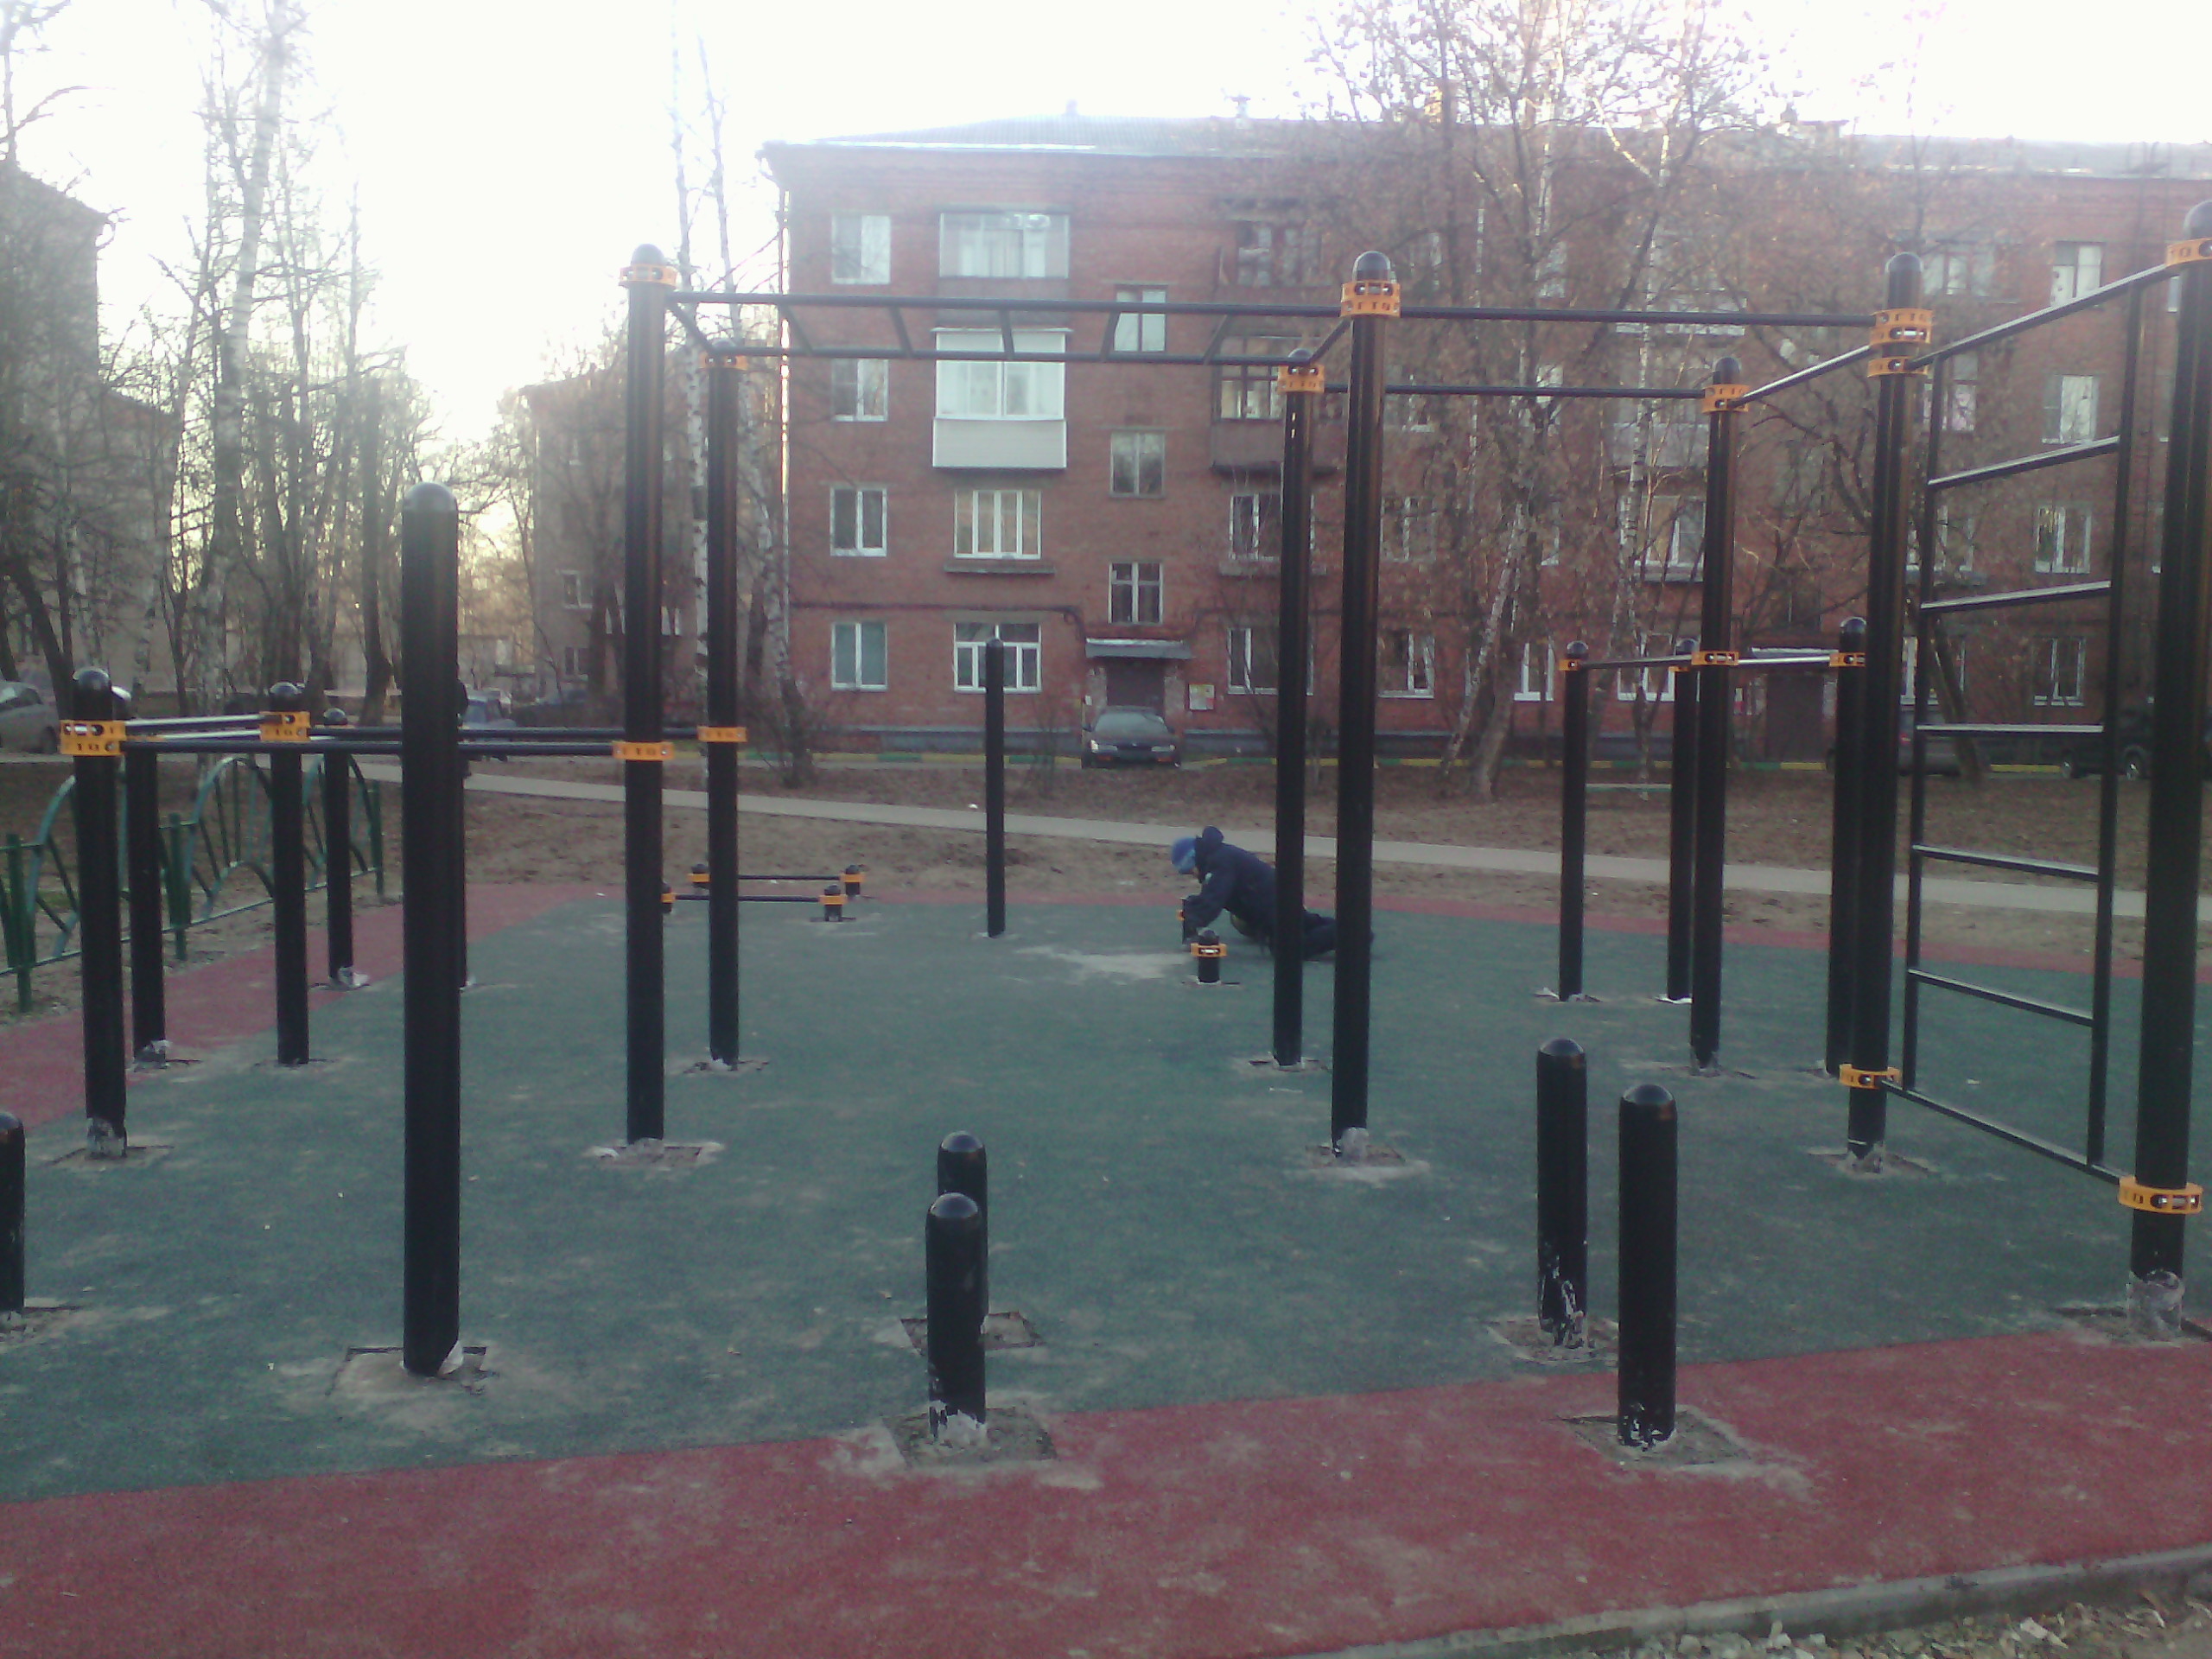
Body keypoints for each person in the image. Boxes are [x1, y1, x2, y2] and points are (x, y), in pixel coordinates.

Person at [1172, 825, 1338, 959]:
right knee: (1304, 923)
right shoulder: (1218, 856)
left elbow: (1214, 898)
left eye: (1189, 870)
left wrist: (1194, 921)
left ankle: (1344, 933)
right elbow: (1214, 894)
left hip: (1275, 904)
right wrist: (1194, 909)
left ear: (1194, 858)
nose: (1192, 875)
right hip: (1279, 897)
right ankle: (1345, 929)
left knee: (1288, 949)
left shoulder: (1220, 863)